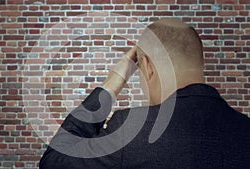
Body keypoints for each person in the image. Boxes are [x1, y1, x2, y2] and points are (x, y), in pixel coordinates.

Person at [39, 18, 250, 169]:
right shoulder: (245, 129)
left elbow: (54, 160)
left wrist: (113, 82)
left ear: (147, 66)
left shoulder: (130, 131)